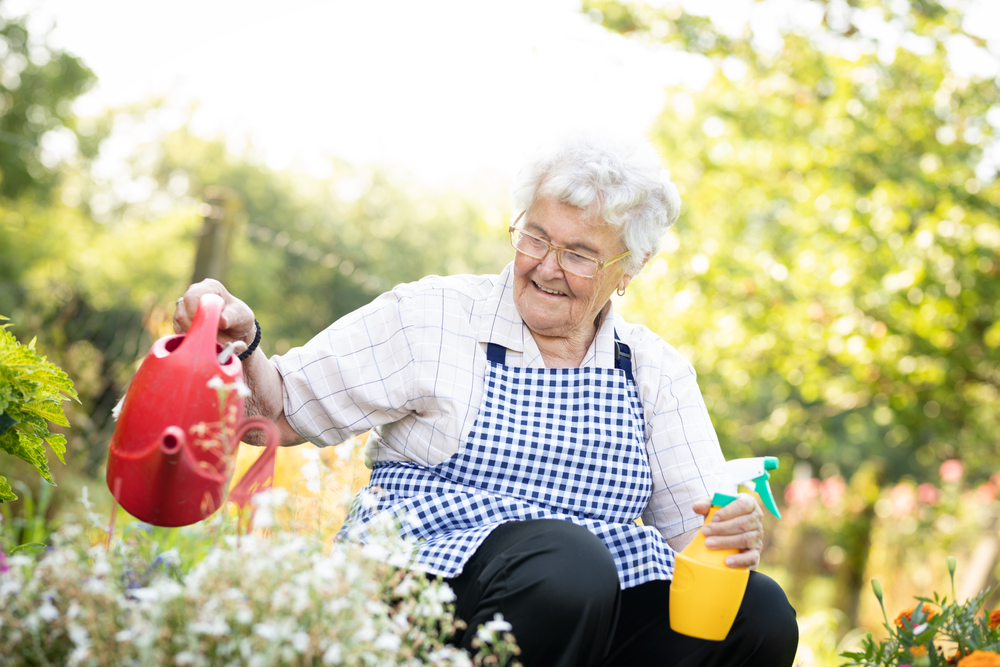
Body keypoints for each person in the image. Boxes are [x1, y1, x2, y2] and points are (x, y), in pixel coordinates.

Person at [173, 132, 799, 667]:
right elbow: (282, 412)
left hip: (585, 599)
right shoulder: (434, 315)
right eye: (535, 237)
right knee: (570, 567)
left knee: (760, 613)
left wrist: (730, 530)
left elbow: (697, 534)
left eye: (579, 254)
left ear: (630, 267)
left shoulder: (653, 370)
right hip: (425, 585)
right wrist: (243, 341)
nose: (547, 266)